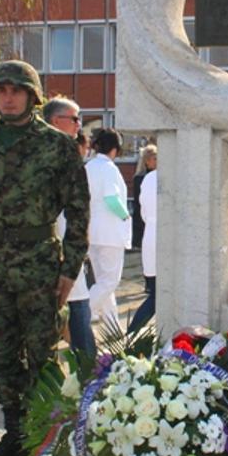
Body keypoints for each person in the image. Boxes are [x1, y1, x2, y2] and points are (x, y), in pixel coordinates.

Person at [0, 60, 89, 456]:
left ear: (32, 96)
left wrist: (70, 269)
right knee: (1, 353)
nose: (8, 98)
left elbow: (79, 211)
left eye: (16, 90)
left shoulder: (57, 145)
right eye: (1, 90)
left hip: (38, 263)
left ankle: (45, 436)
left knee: (41, 353)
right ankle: (15, 433)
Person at [43, 96, 95, 358]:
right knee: (75, 312)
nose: (78, 125)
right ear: (56, 121)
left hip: (69, 249)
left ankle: (88, 366)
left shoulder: (68, 156)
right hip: (49, 250)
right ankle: (89, 368)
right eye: (74, 119)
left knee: (78, 309)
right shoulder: (43, 157)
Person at [85, 128, 132, 327]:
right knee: (109, 282)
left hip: (92, 231)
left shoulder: (89, 166)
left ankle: (113, 330)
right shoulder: (109, 168)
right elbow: (111, 198)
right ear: (115, 149)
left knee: (103, 282)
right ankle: (80, 312)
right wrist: (125, 215)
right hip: (110, 232)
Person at [127, 163, 157, 334]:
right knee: (157, 296)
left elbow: (143, 211)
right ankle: (132, 333)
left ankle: (132, 333)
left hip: (150, 233)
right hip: (164, 237)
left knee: (155, 292)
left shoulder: (149, 178)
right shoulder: (173, 177)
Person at [131, 145, 158, 249]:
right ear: (147, 161)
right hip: (141, 222)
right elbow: (140, 203)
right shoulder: (140, 178)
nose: (157, 162)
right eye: (154, 159)